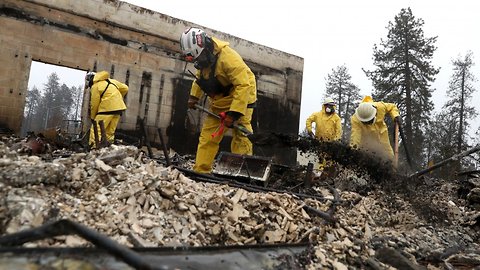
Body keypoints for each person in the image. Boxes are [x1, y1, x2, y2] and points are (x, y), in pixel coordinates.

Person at [180, 27, 257, 173]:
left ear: (206, 47)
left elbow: (243, 85)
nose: (198, 62)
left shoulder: (229, 59)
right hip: (220, 98)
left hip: (242, 94)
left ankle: (243, 172)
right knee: (208, 135)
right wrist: (194, 96)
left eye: (199, 58)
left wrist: (233, 114)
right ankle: (201, 169)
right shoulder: (204, 59)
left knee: (241, 135)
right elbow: (200, 77)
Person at [86, 71, 128, 149]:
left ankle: (94, 148)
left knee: (95, 129)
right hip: (119, 109)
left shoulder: (95, 86)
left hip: (106, 109)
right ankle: (108, 148)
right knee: (110, 132)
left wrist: (93, 117)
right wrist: (118, 98)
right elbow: (125, 88)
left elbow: (94, 104)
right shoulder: (111, 81)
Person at [350, 96, 400, 161]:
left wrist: (395, 115)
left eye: (369, 121)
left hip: (382, 134)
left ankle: (393, 167)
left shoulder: (380, 107)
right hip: (366, 139)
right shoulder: (355, 119)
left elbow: (392, 107)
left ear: (374, 114)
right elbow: (355, 135)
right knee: (367, 156)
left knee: (388, 154)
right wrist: (353, 149)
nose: (367, 123)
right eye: (365, 122)